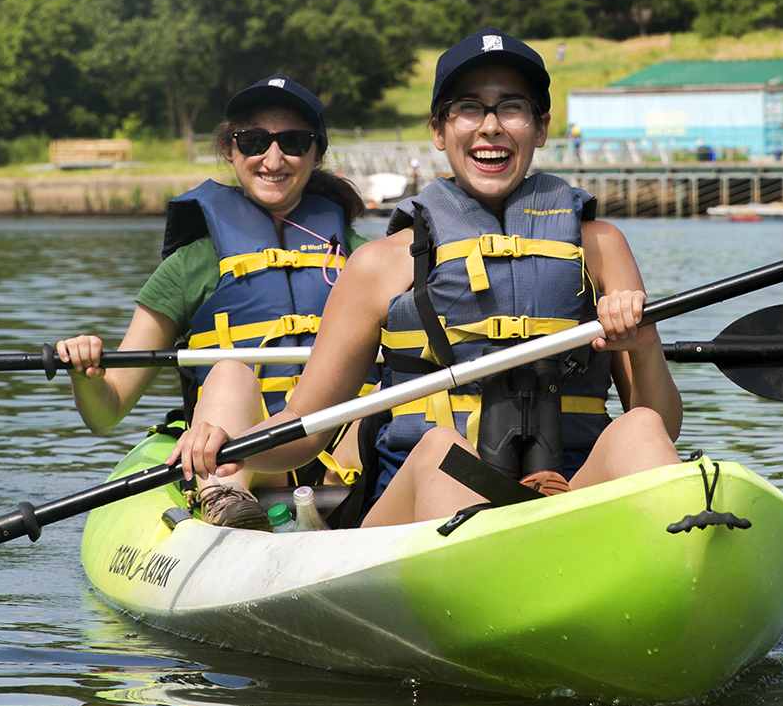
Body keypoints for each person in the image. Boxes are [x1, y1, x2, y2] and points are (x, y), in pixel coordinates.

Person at [174, 31, 682, 527]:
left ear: (540, 127)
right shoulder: (378, 264)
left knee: (639, 429)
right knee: (444, 450)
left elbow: (663, 421)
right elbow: (307, 427)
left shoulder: (601, 245)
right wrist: (228, 443)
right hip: (418, 509)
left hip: (566, 488)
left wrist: (643, 342)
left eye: (511, 107)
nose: (491, 127)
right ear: (439, 131)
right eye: (468, 108)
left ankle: (678, 569)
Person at [56, 75, 369, 530]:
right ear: (230, 149)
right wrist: (86, 374)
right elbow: (108, 411)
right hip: (236, 453)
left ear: (316, 153)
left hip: (344, 453)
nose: (273, 158)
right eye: (255, 141)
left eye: (294, 142)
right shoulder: (191, 265)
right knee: (227, 372)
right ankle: (226, 503)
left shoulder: (364, 261)